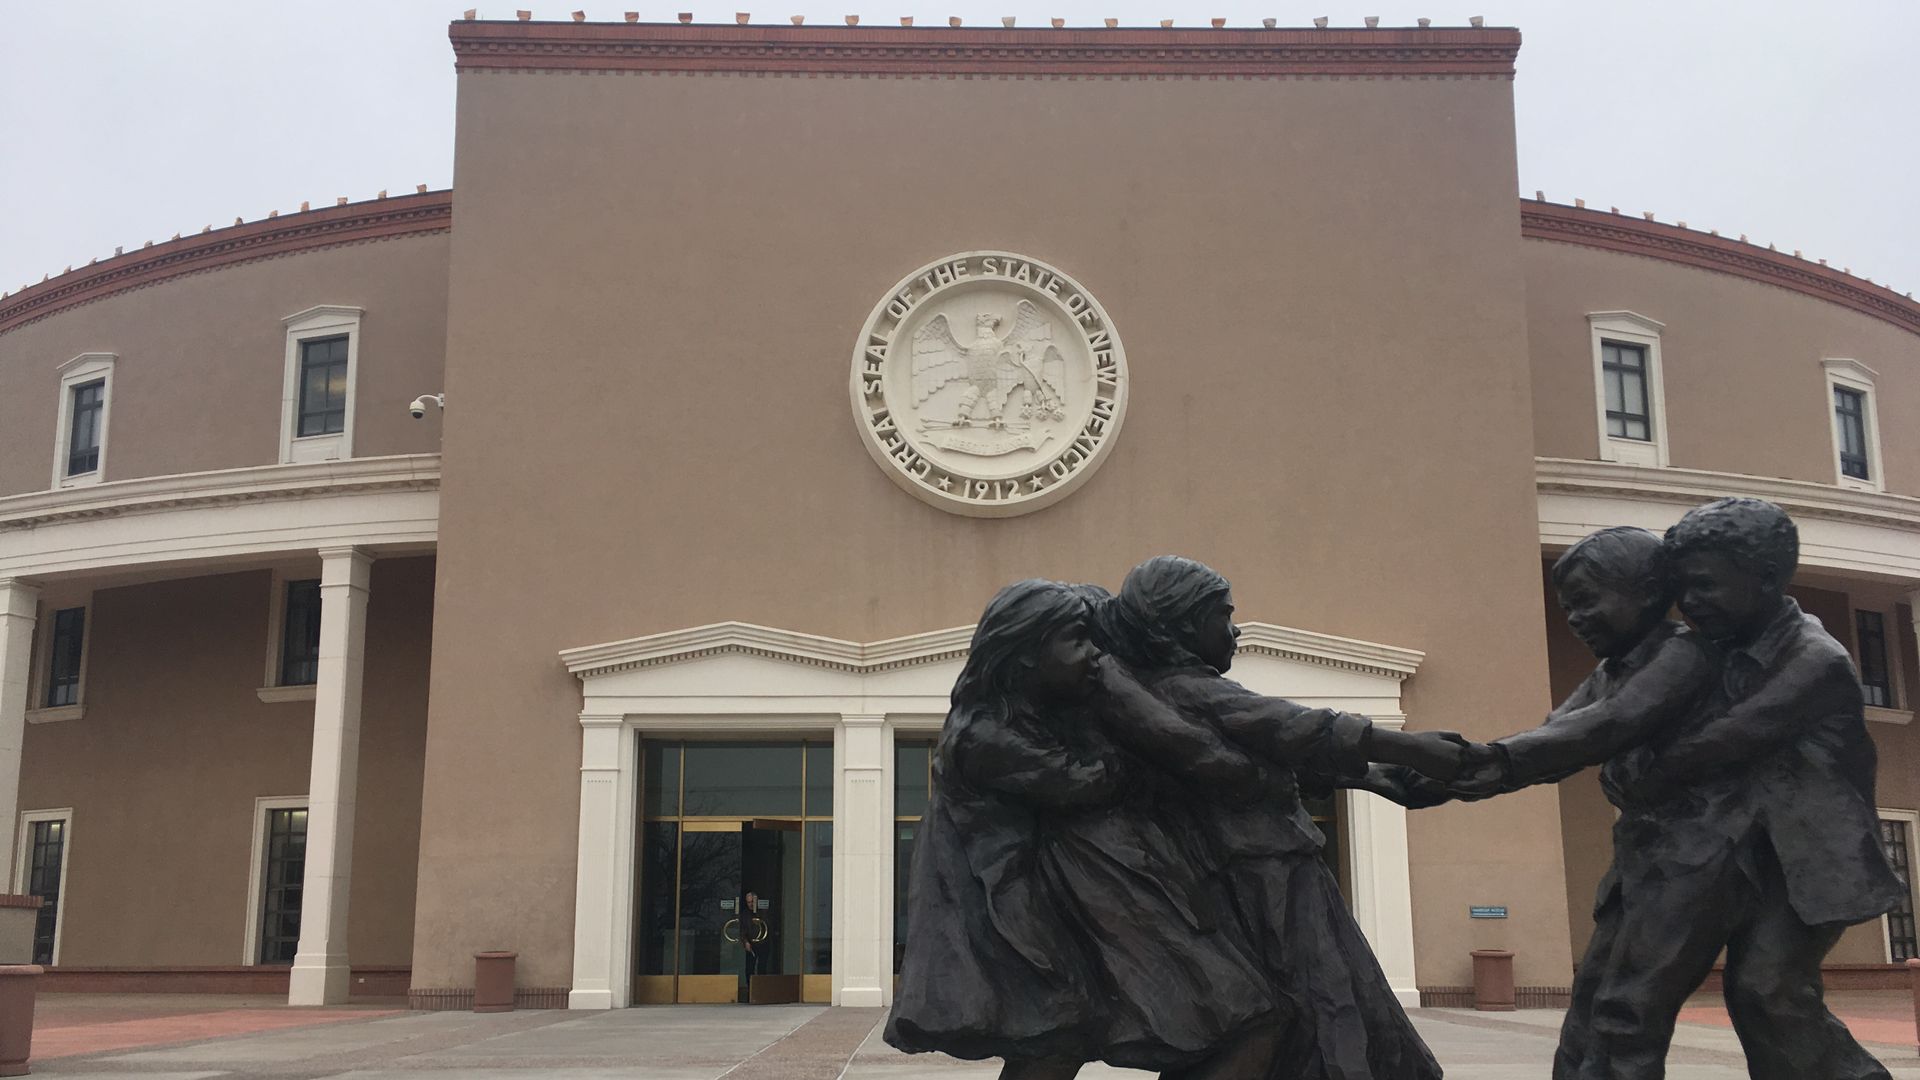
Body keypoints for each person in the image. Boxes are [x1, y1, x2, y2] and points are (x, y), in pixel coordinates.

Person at [885, 579, 1285, 1080]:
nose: (1095, 655)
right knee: (1055, 1040)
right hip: (1013, 912)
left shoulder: (1033, 718)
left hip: (1047, 905)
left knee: (1057, 1043)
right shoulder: (983, 735)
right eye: (1078, 639)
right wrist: (1145, 740)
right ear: (1026, 654)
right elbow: (1088, 783)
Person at [1106, 555, 1458, 1080]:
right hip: (1269, 882)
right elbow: (1290, 728)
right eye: (1223, 615)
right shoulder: (1189, 691)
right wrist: (1409, 748)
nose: (1236, 629)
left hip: (1260, 879)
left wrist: (1373, 776)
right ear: (1181, 625)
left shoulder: (1163, 697)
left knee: (1312, 1008)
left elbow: (1264, 763)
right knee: (1325, 1001)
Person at [1593, 498, 1903, 1080]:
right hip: (1737, 851)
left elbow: (1724, 739)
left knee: (1767, 990)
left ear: (1765, 578)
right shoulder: (1710, 649)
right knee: (1682, 997)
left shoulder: (1817, 658)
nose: (1691, 603)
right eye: (1683, 588)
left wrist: (1642, 775)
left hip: (1808, 858)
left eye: (1706, 586)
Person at [1408, 526, 1721, 1075]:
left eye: (1587, 602)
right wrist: (1423, 780)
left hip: (1699, 857)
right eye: (1568, 607)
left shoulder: (1682, 654)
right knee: (1588, 1011)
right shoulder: (1610, 671)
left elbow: (1601, 730)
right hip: (1643, 862)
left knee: (1629, 1013)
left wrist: (1482, 762)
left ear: (1647, 592)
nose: (1576, 618)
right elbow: (1551, 741)